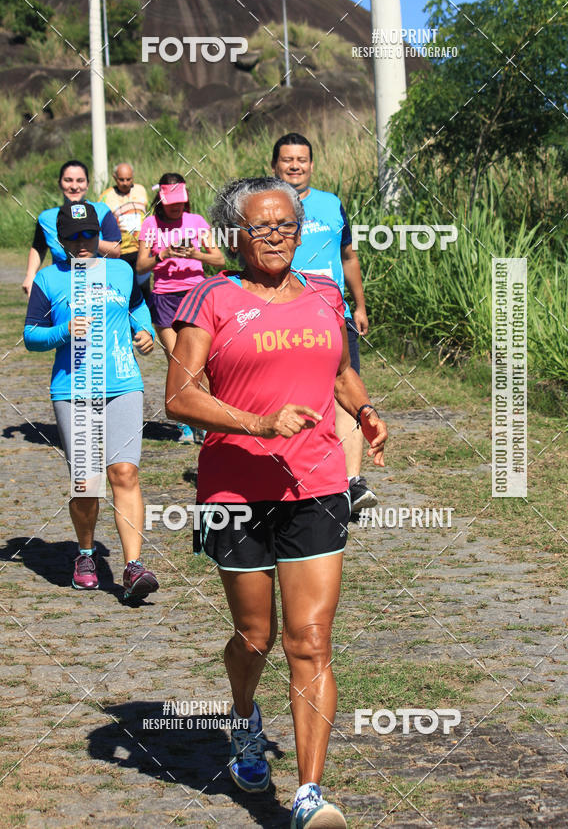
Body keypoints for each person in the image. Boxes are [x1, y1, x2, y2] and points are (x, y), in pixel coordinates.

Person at [165, 177, 387, 828]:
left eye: (287, 226)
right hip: (235, 490)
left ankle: (310, 795)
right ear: (235, 234)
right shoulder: (211, 297)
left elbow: (339, 369)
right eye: (262, 228)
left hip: (316, 485)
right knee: (254, 637)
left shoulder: (322, 292)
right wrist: (258, 424)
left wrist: (366, 410)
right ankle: (242, 718)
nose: (277, 238)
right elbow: (179, 396)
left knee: (310, 641)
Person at [23, 202, 159, 603]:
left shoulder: (120, 270)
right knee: (87, 483)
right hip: (74, 388)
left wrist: (146, 332)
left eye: (89, 235)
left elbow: (137, 307)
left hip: (123, 382)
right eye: (74, 237)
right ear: (61, 240)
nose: (83, 244)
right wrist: (62, 331)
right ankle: (85, 554)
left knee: (125, 473)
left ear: (98, 237)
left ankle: (133, 567)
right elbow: (31, 336)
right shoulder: (49, 280)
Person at [271, 132, 378, 517]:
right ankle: (292, 477)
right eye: (287, 160)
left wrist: (359, 305)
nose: (295, 165)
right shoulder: (266, 206)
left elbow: (348, 255)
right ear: (275, 166)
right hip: (283, 316)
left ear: (312, 165)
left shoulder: (332, 205)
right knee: (288, 398)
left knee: (346, 395)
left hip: (334, 314)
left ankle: (352, 483)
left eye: (301, 159)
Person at [137, 172, 225, 444]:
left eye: (180, 201)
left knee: (201, 360)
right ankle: (187, 424)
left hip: (195, 295)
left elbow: (219, 259)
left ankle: (210, 419)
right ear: (161, 199)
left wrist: (194, 254)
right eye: (171, 201)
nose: (176, 206)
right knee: (178, 360)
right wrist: (162, 255)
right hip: (164, 297)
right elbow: (140, 267)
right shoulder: (150, 224)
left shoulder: (196, 222)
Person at [22, 160, 122, 297]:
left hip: (101, 284)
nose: (74, 186)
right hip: (63, 285)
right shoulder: (46, 218)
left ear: (87, 184)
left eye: (80, 180)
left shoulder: (102, 211)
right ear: (59, 183)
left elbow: (115, 251)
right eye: (68, 180)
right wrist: (30, 275)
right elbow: (38, 248)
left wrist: (87, 238)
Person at [100, 162, 152, 304]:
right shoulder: (105, 197)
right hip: (120, 251)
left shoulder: (141, 190)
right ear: (114, 177)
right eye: (121, 179)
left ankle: (146, 322)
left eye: (128, 179)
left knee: (144, 287)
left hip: (141, 248)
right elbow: (100, 222)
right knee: (125, 288)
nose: (125, 183)